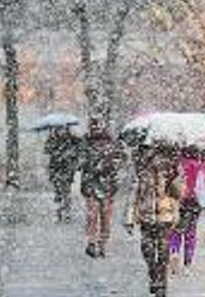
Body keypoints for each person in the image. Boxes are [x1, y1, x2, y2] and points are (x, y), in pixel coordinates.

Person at [125, 145, 181, 297]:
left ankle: (161, 281)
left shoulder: (171, 172)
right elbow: (133, 195)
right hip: (146, 216)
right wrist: (129, 218)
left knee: (163, 250)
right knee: (147, 248)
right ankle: (153, 271)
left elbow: (178, 194)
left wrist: (171, 181)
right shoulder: (141, 173)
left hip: (165, 216)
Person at [80, 123, 120, 258]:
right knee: (94, 215)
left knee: (103, 217)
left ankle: (101, 243)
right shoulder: (86, 146)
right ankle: (93, 242)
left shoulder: (112, 148)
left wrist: (109, 164)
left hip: (105, 187)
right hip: (93, 186)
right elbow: (81, 164)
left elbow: (118, 164)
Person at [168, 146, 205, 273]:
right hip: (193, 202)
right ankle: (187, 263)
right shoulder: (201, 166)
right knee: (190, 233)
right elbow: (202, 187)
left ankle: (174, 252)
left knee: (175, 230)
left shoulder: (176, 165)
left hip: (177, 201)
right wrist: (202, 204)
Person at [44, 126, 81, 222]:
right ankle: (59, 212)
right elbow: (47, 150)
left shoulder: (72, 140)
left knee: (66, 190)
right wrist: (52, 141)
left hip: (67, 169)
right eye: (59, 129)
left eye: (63, 129)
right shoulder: (52, 139)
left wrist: (71, 155)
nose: (61, 131)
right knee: (58, 192)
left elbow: (79, 148)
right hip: (56, 169)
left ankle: (67, 212)